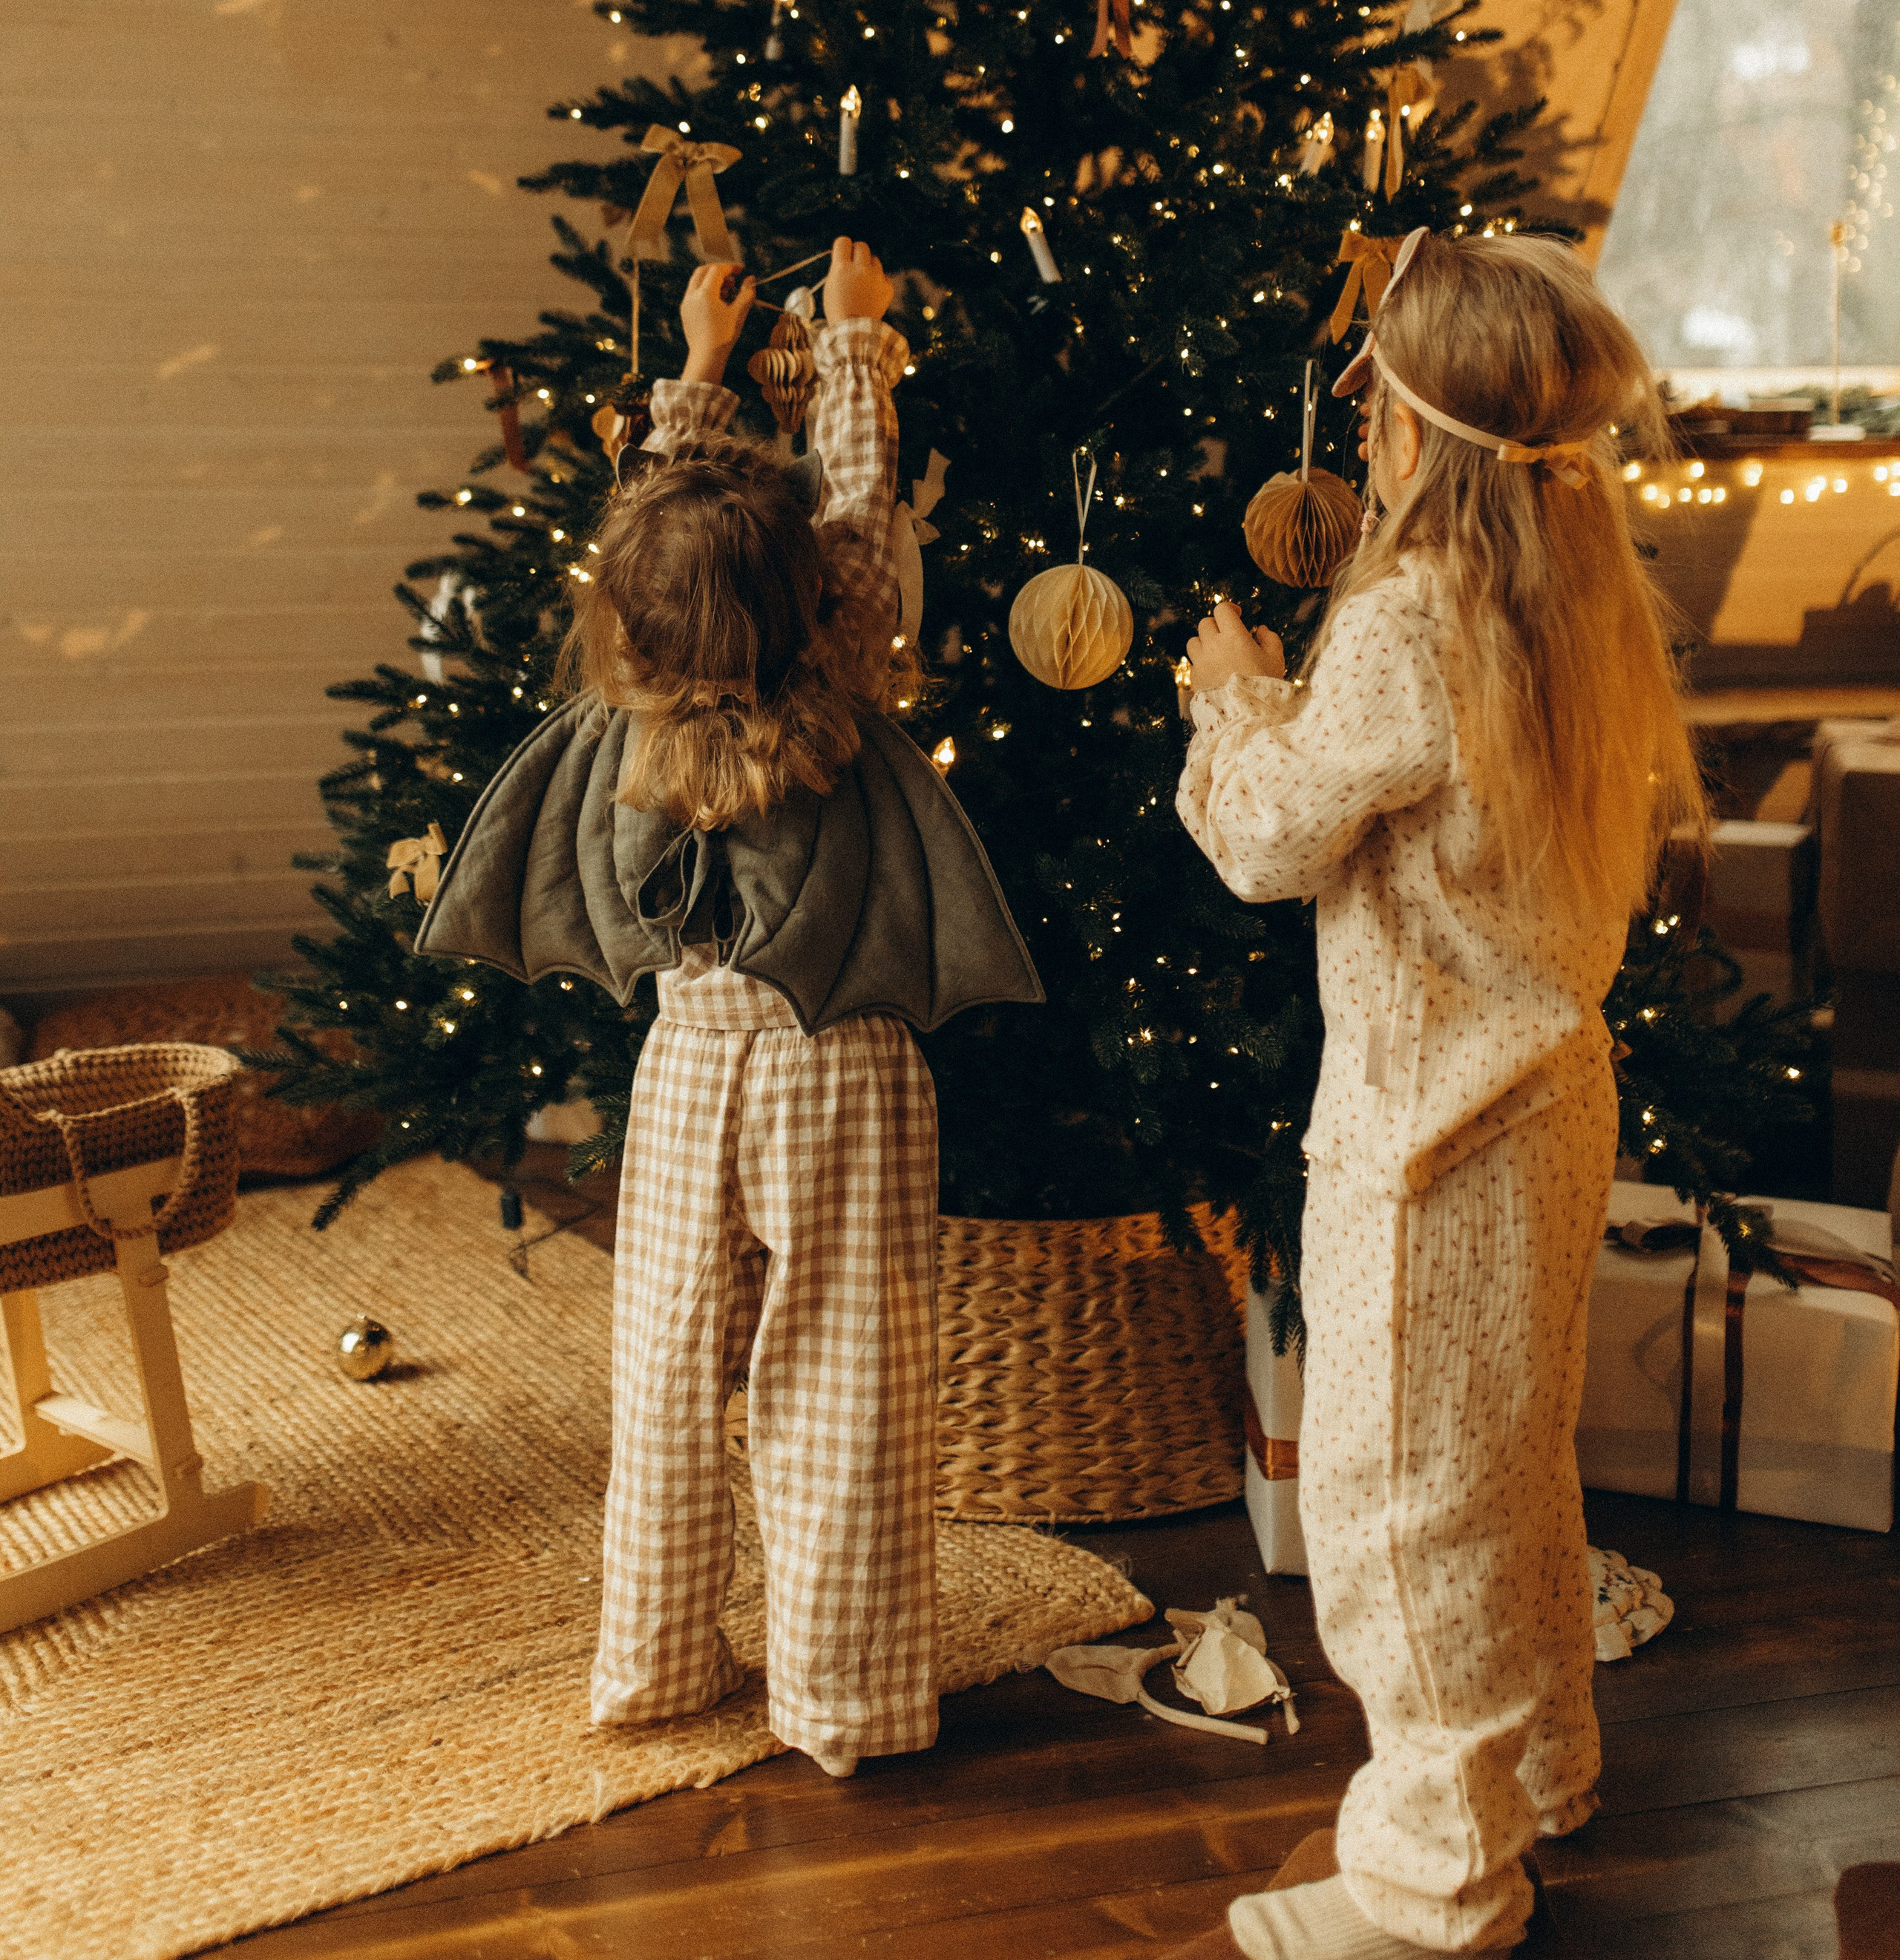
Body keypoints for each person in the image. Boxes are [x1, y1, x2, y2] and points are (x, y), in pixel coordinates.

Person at [416, 237, 1041, 1777]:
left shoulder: (617, 715)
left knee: (666, 1365)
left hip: (691, 1066)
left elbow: (653, 534)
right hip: (844, 1064)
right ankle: (845, 1696)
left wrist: (699, 365)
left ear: (630, 621)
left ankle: (654, 1659)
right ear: (811, 595)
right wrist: (852, 346)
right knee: (844, 1380)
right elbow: (858, 508)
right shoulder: (846, 667)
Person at [1169, 228, 1703, 1960]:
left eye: (1367, 405)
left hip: (1425, 1139)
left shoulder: (1408, 617)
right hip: (1543, 1108)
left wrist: (1231, 703)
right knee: (1505, 1462)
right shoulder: (1567, 597)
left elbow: (1268, 838)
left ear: (1406, 430)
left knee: (1394, 1499)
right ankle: (1537, 1769)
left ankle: (1430, 1882)